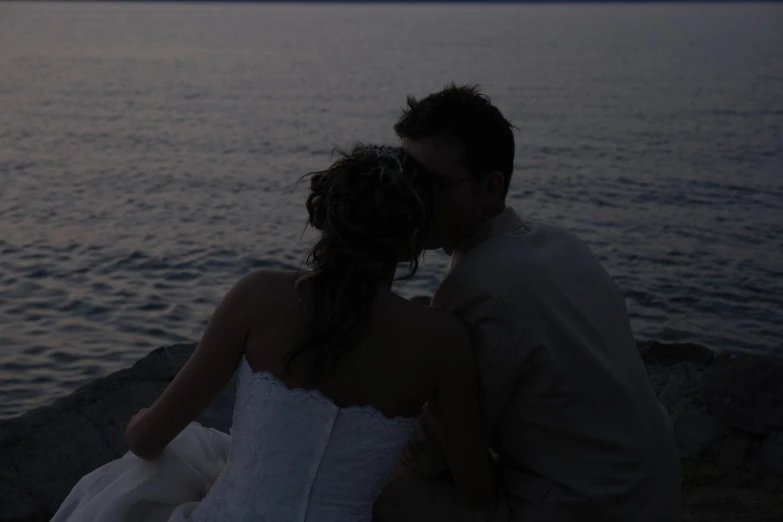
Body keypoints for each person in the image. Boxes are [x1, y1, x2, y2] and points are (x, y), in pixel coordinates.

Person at [51, 144, 497, 522]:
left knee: (164, 462)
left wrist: (136, 425)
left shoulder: (258, 295)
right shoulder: (442, 340)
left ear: (328, 219)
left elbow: (147, 441)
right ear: (411, 239)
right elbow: (477, 490)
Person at [373, 84, 682, 522]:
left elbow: (434, 451)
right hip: (649, 492)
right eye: (407, 178)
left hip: (587, 507)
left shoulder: (476, 287)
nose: (411, 199)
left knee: (385, 494)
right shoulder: (563, 244)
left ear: (490, 187)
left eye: (431, 185)